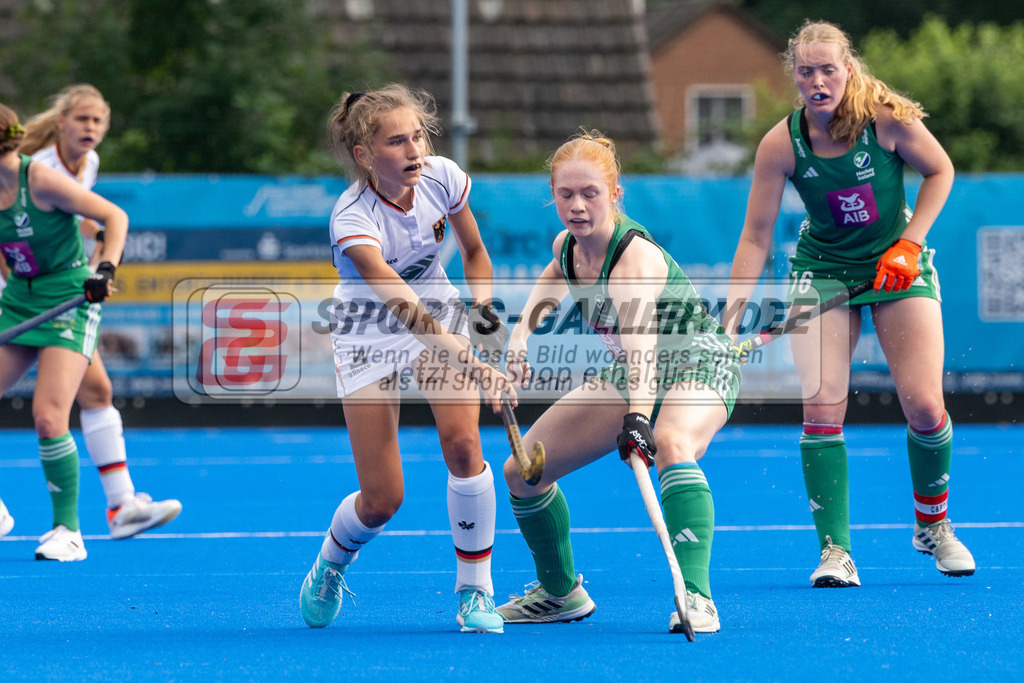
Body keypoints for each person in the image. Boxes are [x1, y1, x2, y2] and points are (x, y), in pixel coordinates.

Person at [724, 20, 975, 588]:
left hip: (897, 269)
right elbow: (755, 237)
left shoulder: (885, 119)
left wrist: (910, 246)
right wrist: (729, 321)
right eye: (806, 71)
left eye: (828, 69)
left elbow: (940, 170)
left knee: (925, 407)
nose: (818, 80)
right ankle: (835, 551)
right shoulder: (779, 144)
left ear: (848, 70)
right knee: (821, 409)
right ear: (795, 76)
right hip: (823, 273)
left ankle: (933, 525)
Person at [496, 130, 742, 634]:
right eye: (566, 194)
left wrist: (636, 419)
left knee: (672, 442)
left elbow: (643, 355)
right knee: (522, 472)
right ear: (553, 195)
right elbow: (551, 279)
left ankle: (696, 598)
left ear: (615, 194)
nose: (578, 205)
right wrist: (521, 336)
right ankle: (561, 593)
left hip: (697, 362)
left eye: (591, 193)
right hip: (632, 371)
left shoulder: (633, 260)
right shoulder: (567, 245)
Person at [298, 84, 515, 633]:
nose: (415, 150)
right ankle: (331, 562)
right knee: (383, 498)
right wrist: (474, 361)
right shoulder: (351, 219)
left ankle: (475, 594)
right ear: (364, 156)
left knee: (465, 447)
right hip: (370, 326)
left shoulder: (442, 176)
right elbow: (406, 312)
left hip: (437, 303)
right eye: (398, 142)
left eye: (418, 135)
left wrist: (485, 319)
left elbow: (475, 254)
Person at [15, 84, 182, 541]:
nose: (90, 128)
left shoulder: (87, 164)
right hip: (30, 291)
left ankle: (121, 505)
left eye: (98, 121)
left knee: (96, 391)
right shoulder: (40, 168)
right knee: (65, 406)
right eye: (82, 119)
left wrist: (99, 267)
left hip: (61, 286)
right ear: (61, 123)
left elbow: (80, 219)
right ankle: (117, 506)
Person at [0, 102, 128, 560]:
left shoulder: (40, 179)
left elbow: (115, 218)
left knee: (48, 414)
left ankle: (68, 531)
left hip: (67, 298)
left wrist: (105, 269)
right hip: (19, 299)